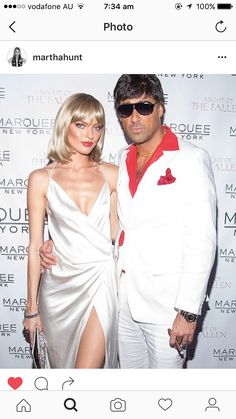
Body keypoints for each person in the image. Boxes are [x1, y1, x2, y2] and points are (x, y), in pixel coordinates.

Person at [40, 75, 217, 368]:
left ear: (160, 108)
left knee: (163, 398)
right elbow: (110, 224)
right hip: (121, 302)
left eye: (144, 107)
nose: (134, 117)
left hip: (167, 308)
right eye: (125, 109)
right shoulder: (119, 160)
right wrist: (58, 241)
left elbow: (202, 240)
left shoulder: (191, 159)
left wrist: (187, 312)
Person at [23, 93, 118, 368]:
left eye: (97, 126)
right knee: (62, 378)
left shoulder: (112, 174)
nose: (91, 134)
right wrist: (32, 308)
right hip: (58, 287)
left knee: (84, 376)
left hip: (101, 279)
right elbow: (34, 246)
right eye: (81, 125)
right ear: (65, 125)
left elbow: (118, 232)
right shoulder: (41, 178)